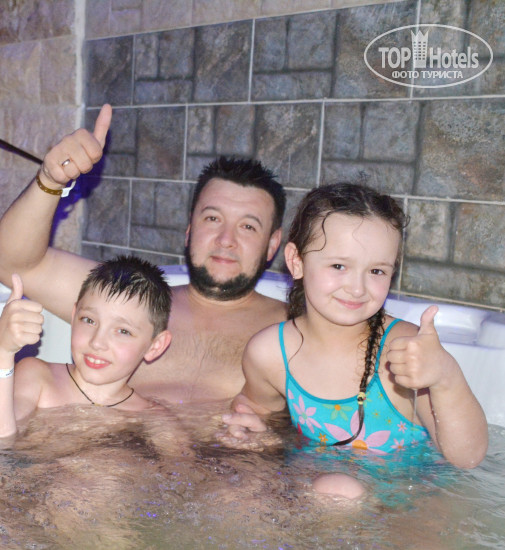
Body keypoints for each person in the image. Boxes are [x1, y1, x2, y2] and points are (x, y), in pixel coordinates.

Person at [0, 104, 287, 405]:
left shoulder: (296, 331)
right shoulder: (126, 301)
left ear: (273, 244)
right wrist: (49, 180)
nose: (226, 240)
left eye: (248, 227)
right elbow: (14, 263)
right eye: (212, 218)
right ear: (190, 229)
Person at [224, 183, 488, 498]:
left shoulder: (403, 350)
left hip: (410, 501)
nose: (358, 288)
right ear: (296, 262)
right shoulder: (271, 353)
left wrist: (446, 376)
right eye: (339, 266)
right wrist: (253, 431)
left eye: (376, 271)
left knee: (338, 489)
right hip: (323, 496)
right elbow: (256, 409)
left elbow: (467, 457)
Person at [0, 255, 173, 437]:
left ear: (155, 347)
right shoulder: (38, 377)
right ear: (74, 316)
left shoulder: (154, 420)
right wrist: (3, 353)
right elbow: (3, 439)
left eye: (123, 331)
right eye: (89, 320)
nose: (97, 342)